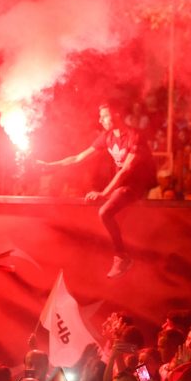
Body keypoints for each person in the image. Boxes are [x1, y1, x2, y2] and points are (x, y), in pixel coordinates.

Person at [37, 103, 155, 278]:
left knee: (104, 212)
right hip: (121, 185)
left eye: (105, 116)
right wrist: (50, 166)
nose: (100, 120)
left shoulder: (134, 136)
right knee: (109, 211)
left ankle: (122, 258)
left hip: (136, 185)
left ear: (116, 115)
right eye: (101, 116)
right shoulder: (107, 137)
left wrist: (104, 193)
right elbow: (78, 157)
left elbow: (126, 170)